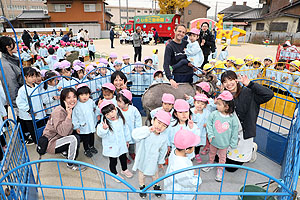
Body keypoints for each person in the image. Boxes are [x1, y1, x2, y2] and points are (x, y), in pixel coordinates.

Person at [221, 71, 274, 171]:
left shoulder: (249, 93)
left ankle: (251, 148)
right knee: (219, 159)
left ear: (236, 80)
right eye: (225, 81)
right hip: (230, 134)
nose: (228, 83)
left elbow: (269, 94)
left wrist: (250, 84)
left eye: (231, 80)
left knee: (230, 169)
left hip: (243, 133)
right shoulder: (224, 96)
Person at [42, 88, 84, 171]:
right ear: (63, 99)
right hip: (51, 142)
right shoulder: (59, 111)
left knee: (80, 134)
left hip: (59, 137)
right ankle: (70, 164)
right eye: (68, 98)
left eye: (74, 97)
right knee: (74, 139)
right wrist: (68, 116)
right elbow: (63, 132)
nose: (72, 100)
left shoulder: (70, 108)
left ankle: (65, 151)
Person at [132, 109, 171, 199]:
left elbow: (163, 150)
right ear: (153, 120)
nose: (160, 126)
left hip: (154, 158)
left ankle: (156, 186)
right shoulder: (146, 131)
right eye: (158, 122)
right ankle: (142, 187)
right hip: (143, 157)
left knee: (155, 174)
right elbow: (135, 135)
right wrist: (148, 130)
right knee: (141, 174)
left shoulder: (163, 137)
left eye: (164, 125)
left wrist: (161, 161)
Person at [202, 91, 239, 181]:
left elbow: (235, 131)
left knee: (222, 157)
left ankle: (220, 169)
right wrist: (210, 134)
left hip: (224, 143)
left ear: (227, 107)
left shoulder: (232, 118)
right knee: (212, 153)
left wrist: (233, 143)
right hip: (213, 141)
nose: (216, 106)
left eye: (219, 104)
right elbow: (209, 124)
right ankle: (210, 163)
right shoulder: (214, 114)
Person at [97, 100, 133, 182]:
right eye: (107, 114)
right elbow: (100, 133)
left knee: (123, 157)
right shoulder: (104, 124)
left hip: (121, 144)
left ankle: (124, 170)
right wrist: (104, 129)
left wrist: (127, 140)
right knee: (113, 160)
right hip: (111, 146)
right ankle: (114, 173)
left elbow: (126, 130)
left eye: (112, 111)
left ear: (116, 109)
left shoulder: (121, 119)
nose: (111, 115)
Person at [164, 128, 201, 200]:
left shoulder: (175, 151)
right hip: (180, 193)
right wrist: (197, 179)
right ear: (186, 149)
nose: (194, 147)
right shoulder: (181, 165)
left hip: (173, 186)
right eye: (193, 146)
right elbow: (187, 182)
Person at [16, 67, 46, 144]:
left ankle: (43, 141)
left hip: (39, 111)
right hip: (30, 115)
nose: (34, 78)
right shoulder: (22, 90)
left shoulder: (37, 86)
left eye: (35, 76)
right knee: (33, 130)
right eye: (31, 76)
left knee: (41, 127)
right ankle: (38, 143)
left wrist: (43, 105)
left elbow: (42, 97)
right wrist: (29, 110)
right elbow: (20, 102)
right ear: (25, 78)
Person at [163, 24, 193, 88]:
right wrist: (170, 79)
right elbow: (166, 64)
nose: (181, 34)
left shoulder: (187, 44)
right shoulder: (170, 46)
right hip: (178, 76)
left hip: (190, 75)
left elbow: (194, 56)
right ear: (175, 31)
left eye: (183, 32)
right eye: (179, 31)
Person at [72, 84, 98, 158]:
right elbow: (75, 118)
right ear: (78, 96)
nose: (84, 97)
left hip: (91, 123)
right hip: (83, 126)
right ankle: (86, 149)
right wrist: (76, 127)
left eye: (86, 94)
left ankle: (92, 146)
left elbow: (95, 108)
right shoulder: (77, 106)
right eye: (82, 95)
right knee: (85, 138)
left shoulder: (90, 101)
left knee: (92, 136)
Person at [116, 89, 142, 164]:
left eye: (120, 101)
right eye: (117, 101)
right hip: (122, 132)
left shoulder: (133, 110)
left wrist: (138, 129)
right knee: (123, 146)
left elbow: (138, 119)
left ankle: (131, 153)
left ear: (127, 101)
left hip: (131, 131)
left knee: (132, 145)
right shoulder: (117, 110)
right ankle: (125, 157)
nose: (118, 103)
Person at [0, 36, 23, 110]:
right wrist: (16, 103)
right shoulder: (5, 65)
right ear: (8, 47)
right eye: (15, 44)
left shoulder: (13, 59)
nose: (17, 46)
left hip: (22, 96)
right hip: (19, 101)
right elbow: (11, 85)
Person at [191, 94, 210, 164]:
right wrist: (193, 114)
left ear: (205, 106)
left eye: (202, 104)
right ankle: (190, 154)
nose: (199, 105)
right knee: (191, 143)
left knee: (198, 144)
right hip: (192, 131)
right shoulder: (191, 111)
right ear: (194, 103)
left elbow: (209, 119)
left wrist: (207, 123)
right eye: (198, 103)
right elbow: (188, 120)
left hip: (201, 131)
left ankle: (196, 153)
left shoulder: (206, 112)